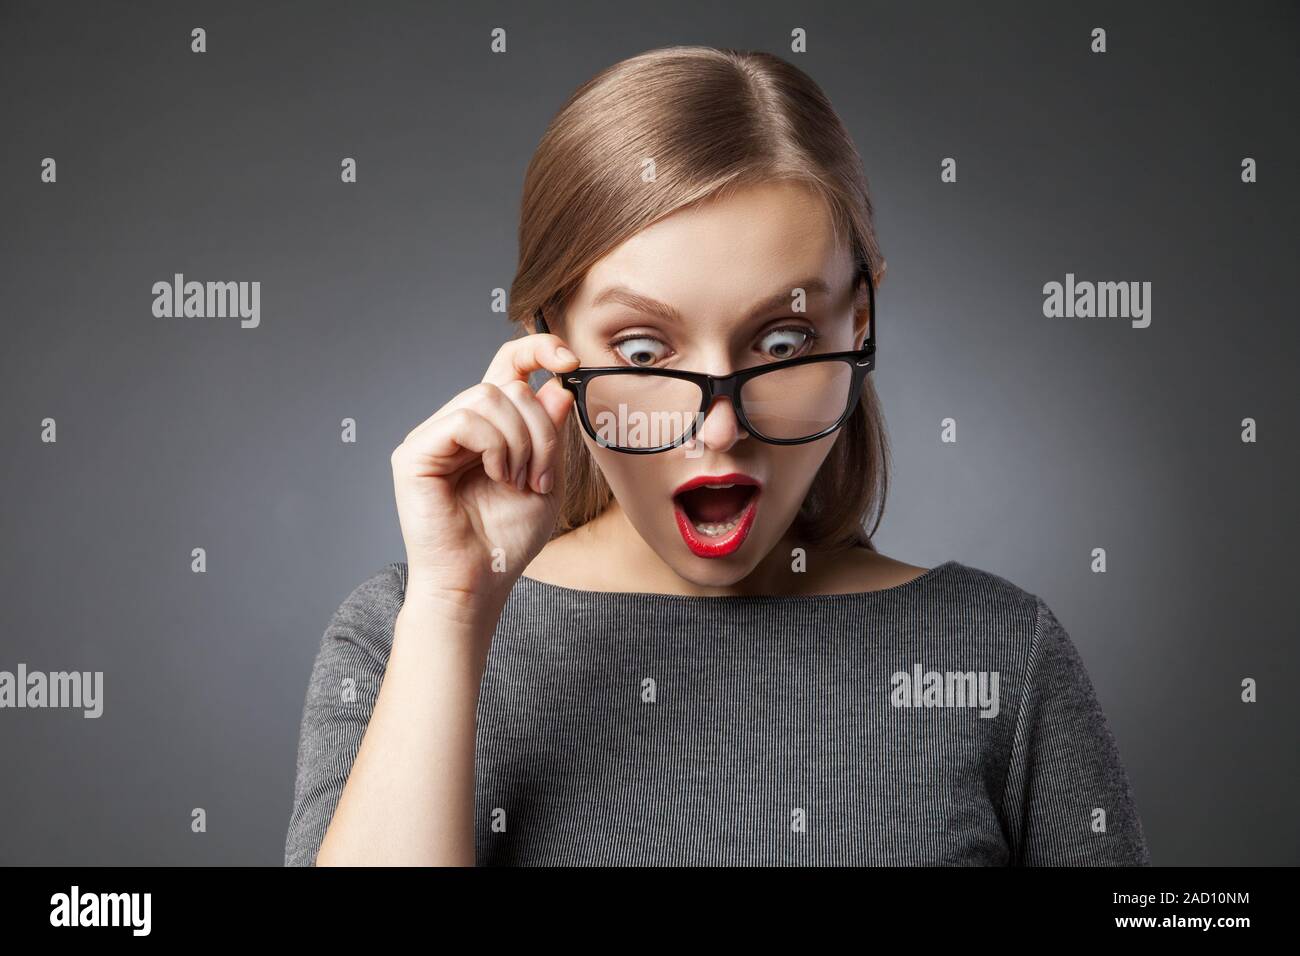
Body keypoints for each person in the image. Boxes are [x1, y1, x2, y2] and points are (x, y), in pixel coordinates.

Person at [284, 45, 1150, 866]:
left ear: (860, 323)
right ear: (551, 346)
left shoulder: (1003, 654)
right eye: (642, 352)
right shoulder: (402, 635)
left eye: (780, 341)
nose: (719, 429)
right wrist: (453, 610)